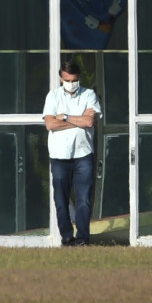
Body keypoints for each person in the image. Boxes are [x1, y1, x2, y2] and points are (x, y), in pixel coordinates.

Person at [42, 61, 102, 246]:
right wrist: (79, 119)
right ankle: (67, 237)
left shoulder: (89, 95)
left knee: (83, 199)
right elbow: (50, 124)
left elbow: (89, 122)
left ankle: (83, 238)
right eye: (67, 80)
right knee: (61, 200)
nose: (71, 83)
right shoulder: (53, 96)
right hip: (59, 156)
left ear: (79, 78)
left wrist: (65, 117)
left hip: (83, 154)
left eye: (74, 80)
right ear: (61, 78)